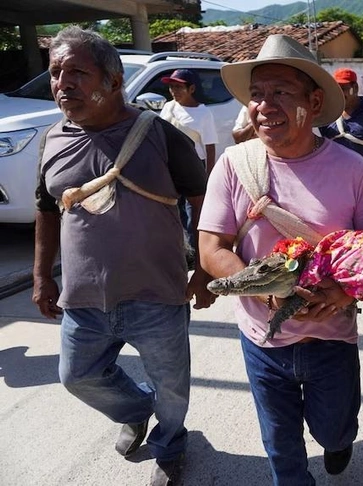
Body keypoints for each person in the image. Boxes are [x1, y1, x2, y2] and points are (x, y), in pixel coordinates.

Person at [197, 35, 363, 485]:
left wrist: (340, 293)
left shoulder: (352, 170)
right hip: (261, 340)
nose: (264, 105)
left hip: (332, 337)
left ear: (314, 101)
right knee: (281, 447)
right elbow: (211, 248)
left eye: (280, 92)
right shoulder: (234, 165)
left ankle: (339, 442)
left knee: (334, 428)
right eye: (257, 94)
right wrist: (259, 286)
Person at [32, 26, 216, 486]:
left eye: (77, 72)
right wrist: (41, 276)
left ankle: (171, 445)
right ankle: (136, 411)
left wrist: (204, 269)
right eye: (56, 73)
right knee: (76, 377)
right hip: (85, 300)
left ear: (114, 81)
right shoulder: (51, 139)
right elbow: (45, 210)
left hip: (158, 295)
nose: (63, 84)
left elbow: (203, 198)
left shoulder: (159, 134)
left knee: (172, 390)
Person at [320, 69, 363, 186]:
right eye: (336, 90)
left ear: (355, 88)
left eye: (344, 89)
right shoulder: (327, 113)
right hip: (333, 180)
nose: (340, 94)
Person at [160, 69, 218, 175]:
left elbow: (210, 147)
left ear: (191, 89)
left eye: (178, 87)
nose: (173, 91)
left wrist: (209, 177)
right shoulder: (168, 107)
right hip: (170, 163)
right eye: (171, 86)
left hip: (192, 166)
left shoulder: (203, 113)